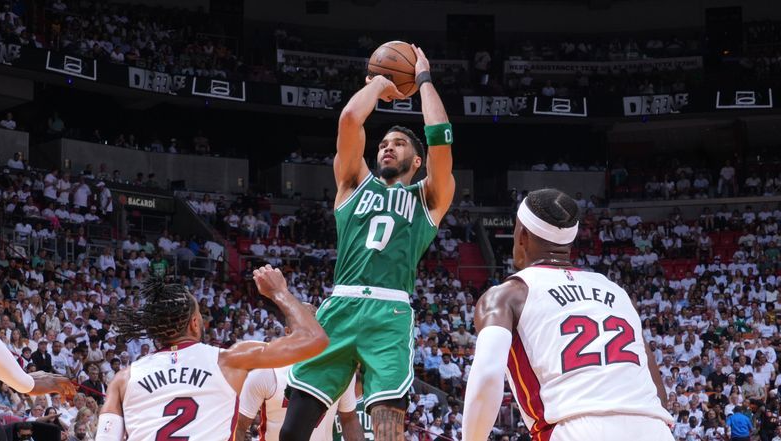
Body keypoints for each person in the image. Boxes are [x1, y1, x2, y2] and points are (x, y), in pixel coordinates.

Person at [281, 44, 455, 441]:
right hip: (340, 306)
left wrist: (423, 78)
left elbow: (441, 138)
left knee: (388, 430)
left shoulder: (428, 198)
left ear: (416, 162)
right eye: (382, 143)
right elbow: (349, 120)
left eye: (398, 144)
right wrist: (380, 83)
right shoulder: (353, 184)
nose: (386, 146)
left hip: (389, 313)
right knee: (292, 432)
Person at [461, 188, 674, 440]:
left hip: (577, 427)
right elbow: (656, 390)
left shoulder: (507, 294)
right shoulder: (616, 291)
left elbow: (486, 375)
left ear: (522, 235)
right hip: (653, 427)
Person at [95, 267, 328, 441]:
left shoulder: (123, 379)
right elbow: (314, 339)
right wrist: (279, 292)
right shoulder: (230, 360)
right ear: (195, 324)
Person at [0, 338, 76, 398]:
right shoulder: (35, 355)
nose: (44, 346)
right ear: (38, 345)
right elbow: (23, 383)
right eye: (42, 344)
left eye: (45, 344)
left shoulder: (48, 355)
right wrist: (27, 379)